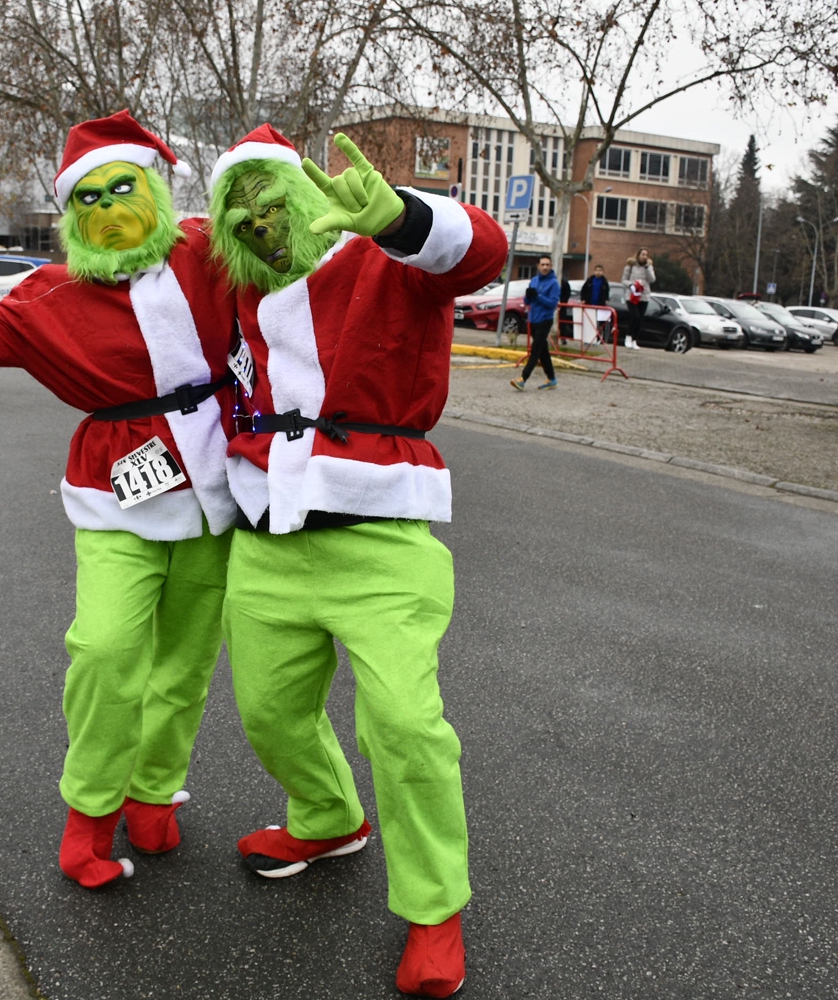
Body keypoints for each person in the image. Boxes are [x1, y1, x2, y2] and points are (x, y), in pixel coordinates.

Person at [0, 112, 237, 891]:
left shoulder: (210, 251)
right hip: (120, 490)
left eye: (124, 188)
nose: (110, 207)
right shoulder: (55, 291)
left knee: (184, 665)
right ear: (71, 212)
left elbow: (286, 258)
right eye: (89, 198)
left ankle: (152, 795)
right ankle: (89, 816)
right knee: (108, 651)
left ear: (154, 185)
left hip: (219, 484)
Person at [208, 125, 505, 998]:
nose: (261, 223)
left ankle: (433, 906)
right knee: (267, 712)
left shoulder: (386, 258)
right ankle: (330, 818)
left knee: (405, 729)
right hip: (266, 540)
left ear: (304, 193)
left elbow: (478, 254)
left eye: (272, 201)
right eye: (242, 213)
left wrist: (403, 217)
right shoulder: (232, 289)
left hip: (380, 539)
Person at [511, 253, 559, 390]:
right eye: (542, 264)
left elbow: (552, 303)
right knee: (543, 351)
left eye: (547, 265)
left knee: (535, 350)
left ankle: (523, 378)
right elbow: (527, 301)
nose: (545, 267)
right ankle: (552, 378)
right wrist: (528, 295)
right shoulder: (534, 280)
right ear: (538, 266)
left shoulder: (554, 283)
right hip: (533, 319)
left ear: (551, 266)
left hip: (545, 320)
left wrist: (538, 296)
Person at [620, 247, 654, 350]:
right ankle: (628, 336)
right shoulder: (630, 266)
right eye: (642, 254)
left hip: (644, 295)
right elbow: (623, 280)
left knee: (640, 319)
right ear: (638, 255)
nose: (644, 257)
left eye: (646, 255)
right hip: (632, 295)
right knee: (635, 316)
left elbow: (652, 279)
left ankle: (635, 340)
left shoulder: (649, 267)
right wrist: (631, 285)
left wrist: (648, 268)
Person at [580, 262, 611, 344]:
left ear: (602, 272)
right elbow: (583, 290)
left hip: (599, 305)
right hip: (589, 304)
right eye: (596, 270)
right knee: (589, 322)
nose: (598, 272)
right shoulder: (590, 280)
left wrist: (606, 300)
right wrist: (583, 299)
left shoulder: (604, 282)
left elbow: (606, 292)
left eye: (600, 270)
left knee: (598, 323)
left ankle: (598, 338)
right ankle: (588, 339)